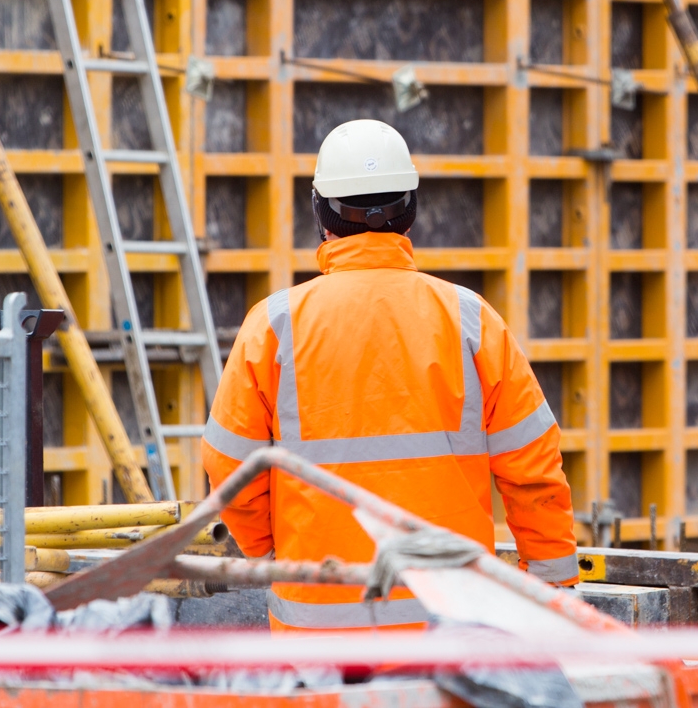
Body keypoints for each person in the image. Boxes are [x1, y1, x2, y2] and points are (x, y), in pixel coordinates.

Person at [200, 119, 579, 631]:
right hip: (453, 631)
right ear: (411, 209)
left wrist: (269, 549)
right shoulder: (470, 320)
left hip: (319, 633)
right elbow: (534, 472)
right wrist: (556, 590)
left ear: (319, 210)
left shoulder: (273, 326)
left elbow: (229, 464)